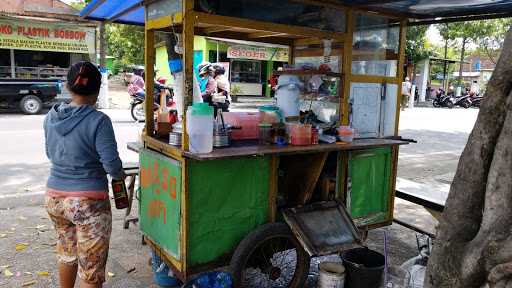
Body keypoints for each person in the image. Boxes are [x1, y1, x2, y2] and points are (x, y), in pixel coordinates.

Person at [44, 61, 124, 288]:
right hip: (88, 203)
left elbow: (50, 153)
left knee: (66, 253)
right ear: (97, 91)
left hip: (54, 199)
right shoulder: (99, 120)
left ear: (68, 87)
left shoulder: (50, 117)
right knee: (91, 269)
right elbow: (111, 165)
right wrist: (120, 175)